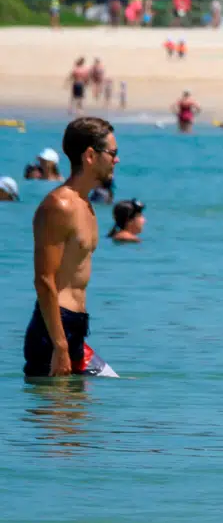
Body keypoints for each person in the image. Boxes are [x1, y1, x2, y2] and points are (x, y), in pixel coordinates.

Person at [26, 116, 118, 377]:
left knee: (85, 409)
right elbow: (44, 279)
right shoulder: (59, 206)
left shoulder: (85, 205)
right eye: (113, 153)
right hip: (54, 332)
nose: (117, 159)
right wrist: (60, 345)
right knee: (56, 417)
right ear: (90, 155)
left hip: (75, 328)